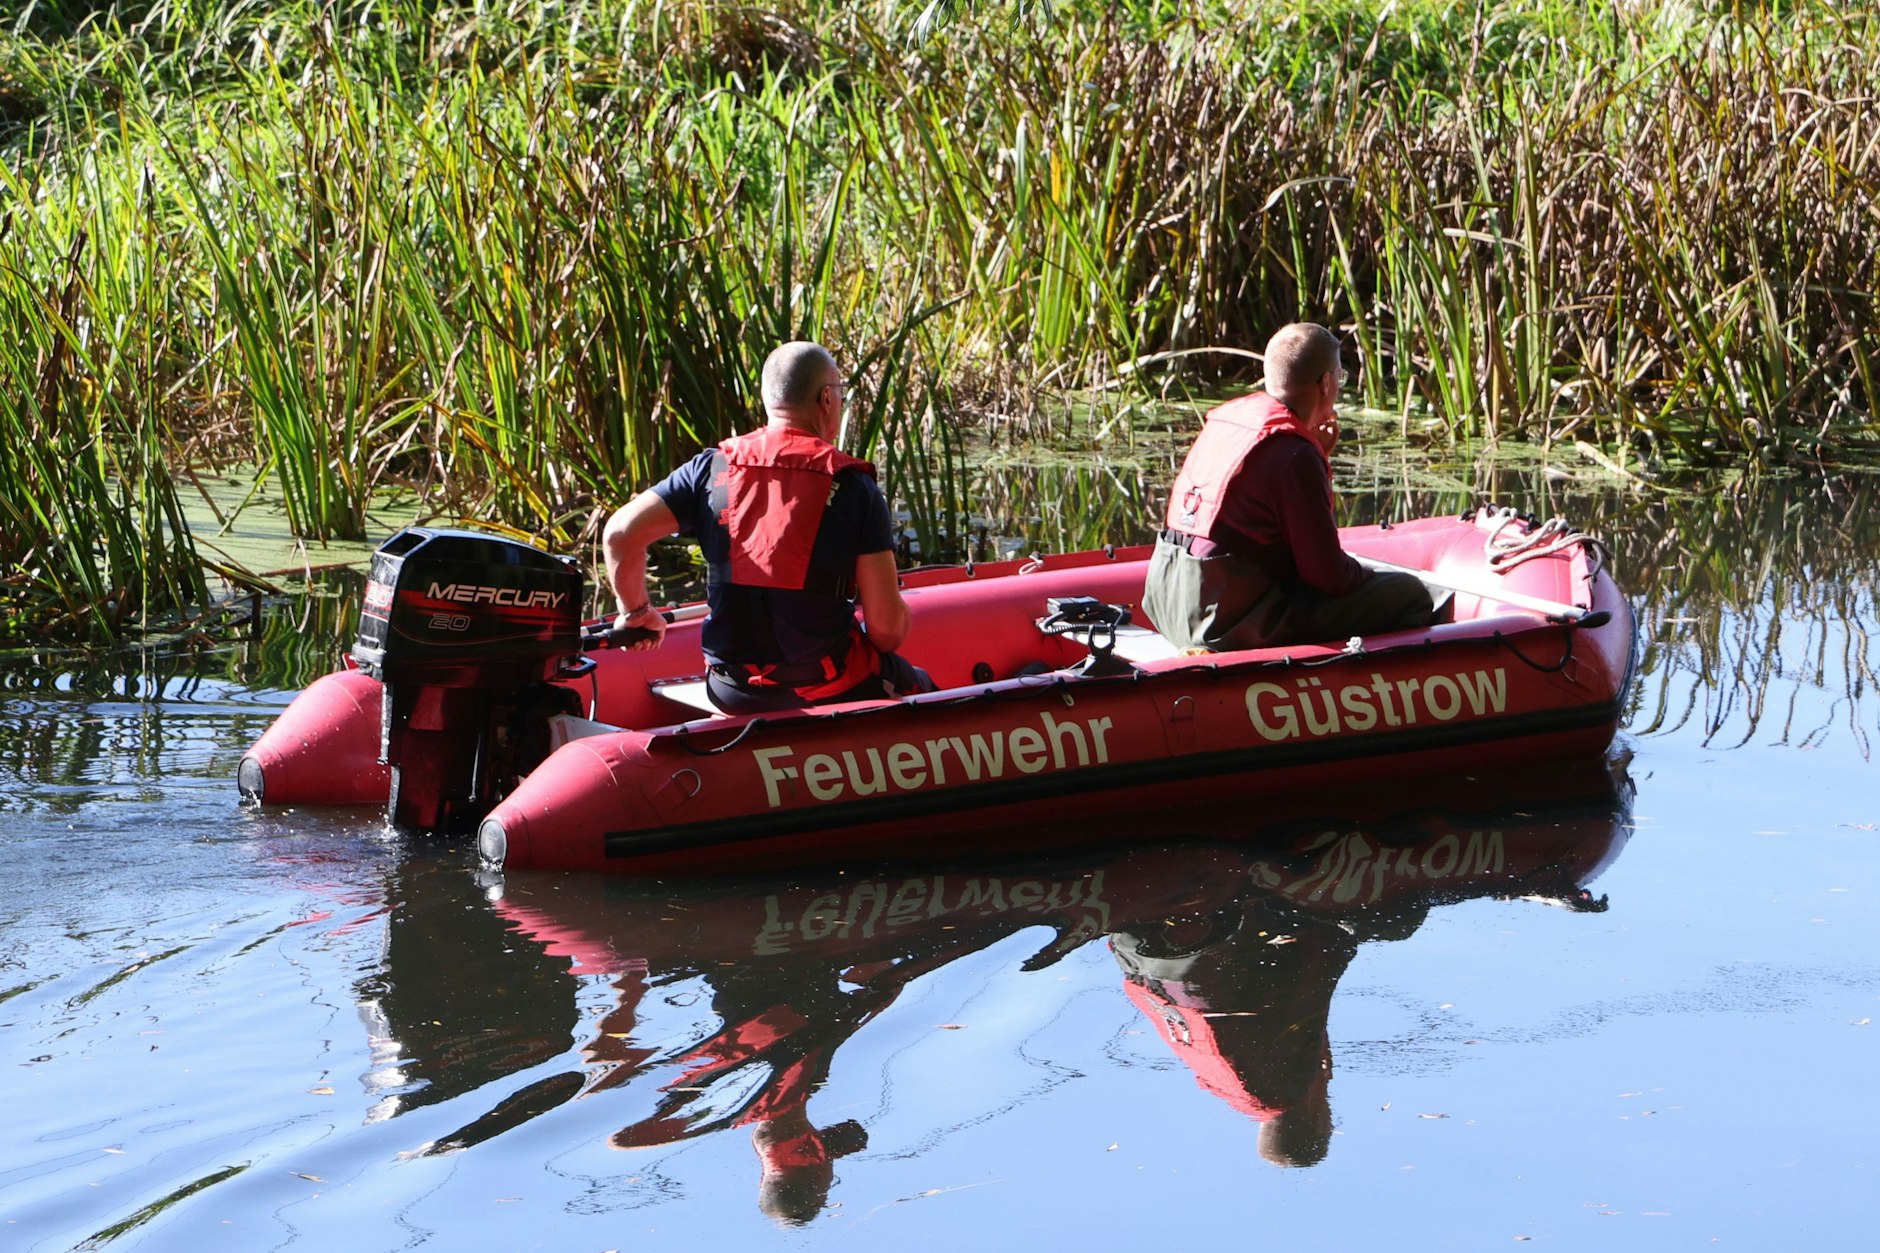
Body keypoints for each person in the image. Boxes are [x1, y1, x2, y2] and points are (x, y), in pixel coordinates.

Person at [601, 341, 931, 713]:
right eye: (839, 394)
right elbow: (886, 633)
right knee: (921, 685)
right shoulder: (854, 486)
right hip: (824, 684)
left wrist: (637, 610)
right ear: (826, 398)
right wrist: (902, 616)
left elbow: (620, 533)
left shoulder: (711, 468)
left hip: (730, 689)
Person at [1142, 322, 1441, 652]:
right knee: (1408, 593)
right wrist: (1368, 574)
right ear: (1325, 383)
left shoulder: (1233, 421)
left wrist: (1317, 454)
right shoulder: (1295, 454)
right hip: (1219, 624)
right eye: (1340, 378)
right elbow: (1328, 577)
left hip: (1168, 603)